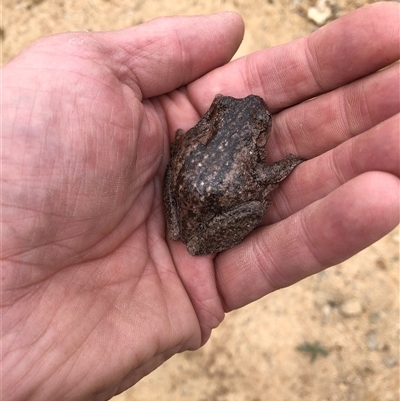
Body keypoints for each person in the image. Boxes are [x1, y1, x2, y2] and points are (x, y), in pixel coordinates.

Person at [1, 2, 399, 400]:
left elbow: (187, 144)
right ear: (257, 138)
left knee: (202, 167)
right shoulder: (249, 152)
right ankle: (196, 233)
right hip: (208, 210)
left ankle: (185, 226)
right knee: (258, 205)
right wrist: (289, 163)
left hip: (185, 196)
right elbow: (265, 175)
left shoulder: (205, 131)